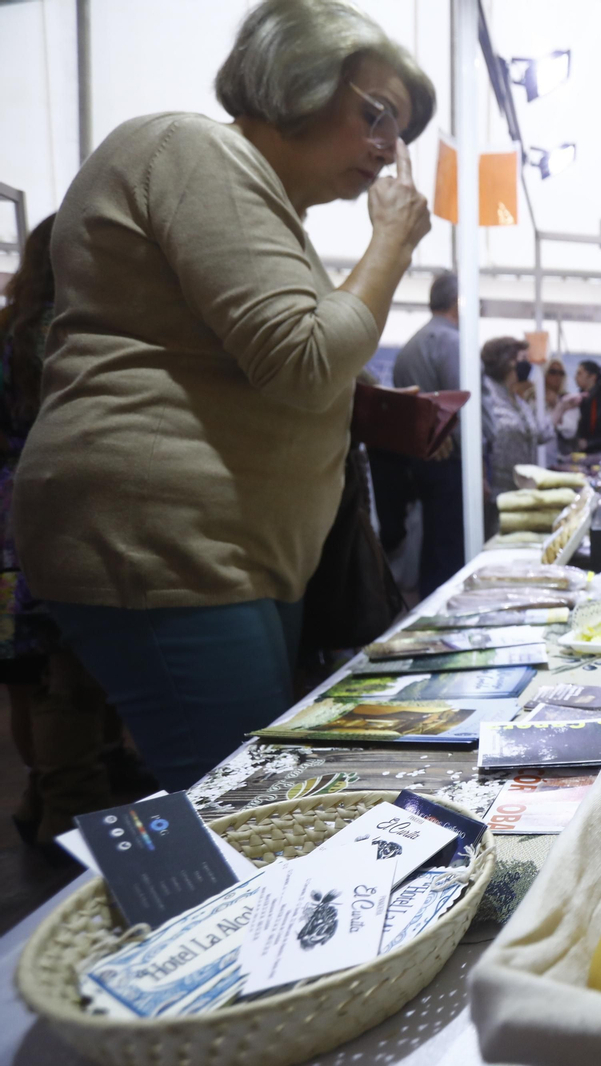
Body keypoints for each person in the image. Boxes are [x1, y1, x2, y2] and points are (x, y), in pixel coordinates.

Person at [14, 0, 435, 790]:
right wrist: (390, 246)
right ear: (299, 80)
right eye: (376, 114)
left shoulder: (262, 203)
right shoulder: (197, 151)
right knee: (238, 804)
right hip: (169, 547)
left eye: (401, 132)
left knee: (239, 790)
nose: (389, 148)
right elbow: (305, 359)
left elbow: (272, 367)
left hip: (226, 554)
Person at [1, 216, 146, 842]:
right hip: (58, 516)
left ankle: (43, 796)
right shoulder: (60, 335)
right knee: (70, 673)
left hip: (12, 524)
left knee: (32, 676)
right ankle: (72, 814)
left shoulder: (13, 329)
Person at [392, 271, 462, 597]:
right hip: (448, 458)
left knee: (433, 540)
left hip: (419, 457)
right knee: (448, 546)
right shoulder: (450, 341)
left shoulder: (411, 345)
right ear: (458, 303)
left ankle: (429, 602)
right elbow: (464, 405)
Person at [481, 336, 554, 505]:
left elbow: (538, 434)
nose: (527, 364)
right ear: (507, 362)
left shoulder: (517, 399)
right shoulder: (487, 396)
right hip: (497, 491)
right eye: (522, 359)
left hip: (523, 488)